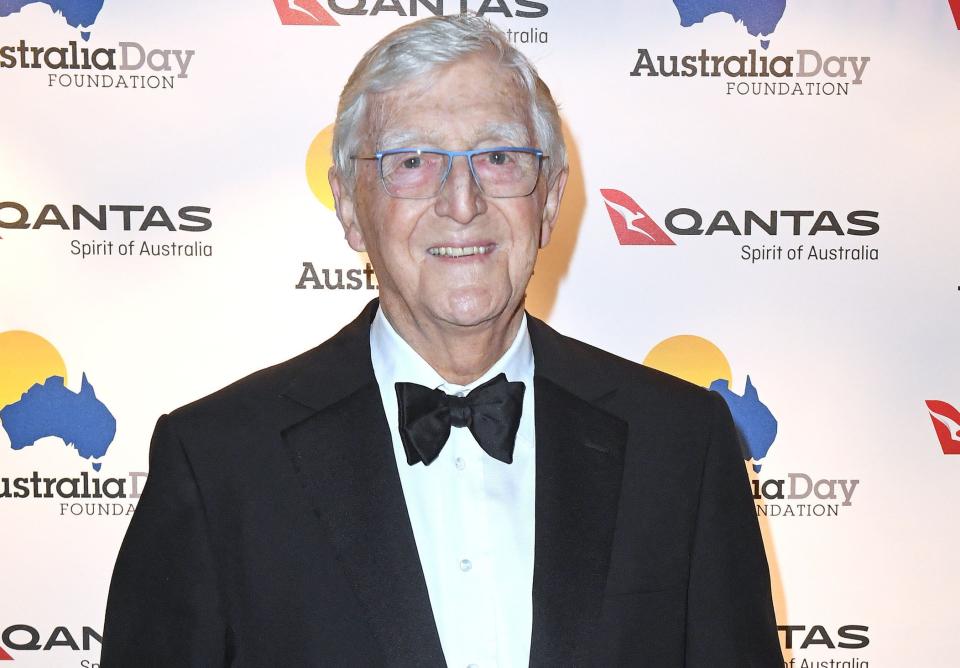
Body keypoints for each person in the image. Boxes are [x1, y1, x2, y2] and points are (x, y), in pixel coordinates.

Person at [101, 14, 783, 667]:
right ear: (348, 206)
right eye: (413, 161)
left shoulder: (681, 445)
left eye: (499, 157)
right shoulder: (220, 460)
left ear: (548, 200)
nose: (462, 202)